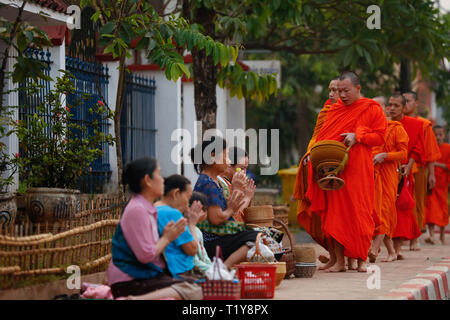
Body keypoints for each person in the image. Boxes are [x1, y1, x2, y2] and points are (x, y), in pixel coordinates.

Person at [302, 71, 387, 272]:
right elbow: (322, 138)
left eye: (346, 90)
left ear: (358, 88)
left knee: (360, 212)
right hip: (335, 170)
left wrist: (358, 136)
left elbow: (380, 137)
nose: (342, 95)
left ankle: (361, 260)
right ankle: (340, 262)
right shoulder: (334, 110)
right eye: (339, 91)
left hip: (359, 169)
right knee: (336, 214)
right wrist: (312, 155)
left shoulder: (371, 108)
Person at [106, 157, 202, 300]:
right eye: (158, 174)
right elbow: (146, 255)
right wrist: (168, 237)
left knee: (197, 287)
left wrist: (167, 236)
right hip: (129, 281)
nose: (163, 180)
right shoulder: (137, 209)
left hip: (143, 276)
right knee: (193, 291)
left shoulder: (147, 208)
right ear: (147, 180)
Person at [191, 136, 260, 269]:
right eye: (225, 156)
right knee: (253, 237)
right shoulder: (207, 183)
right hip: (211, 241)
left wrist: (235, 201)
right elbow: (216, 219)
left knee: (253, 235)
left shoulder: (214, 182)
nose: (228, 162)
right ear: (212, 157)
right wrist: (231, 207)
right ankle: (220, 271)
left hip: (220, 236)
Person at [294, 77, 339, 263]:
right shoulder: (326, 111)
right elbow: (316, 137)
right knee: (325, 214)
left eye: (336, 90)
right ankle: (335, 256)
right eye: (330, 89)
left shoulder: (357, 111)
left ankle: (353, 257)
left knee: (344, 214)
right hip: (323, 166)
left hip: (345, 167)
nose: (331, 94)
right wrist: (310, 154)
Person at [403, 91, 441, 251]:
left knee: (416, 203)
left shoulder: (423, 124)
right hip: (398, 167)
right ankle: (401, 236)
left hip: (418, 168)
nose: (405, 104)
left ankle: (415, 238)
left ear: (416, 103)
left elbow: (430, 151)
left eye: (408, 101)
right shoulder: (396, 122)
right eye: (402, 101)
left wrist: (431, 174)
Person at [369, 110, 409, 263]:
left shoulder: (396, 128)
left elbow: (403, 154)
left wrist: (385, 156)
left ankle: (374, 249)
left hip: (388, 175)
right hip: (371, 174)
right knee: (374, 211)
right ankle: (391, 252)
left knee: (384, 211)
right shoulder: (369, 127)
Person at [388, 94, 424, 260]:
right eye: (390, 105)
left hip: (404, 172)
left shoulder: (415, 125)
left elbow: (417, 149)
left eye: (396, 105)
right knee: (388, 209)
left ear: (404, 107)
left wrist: (408, 166)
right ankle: (393, 248)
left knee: (402, 208)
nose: (392, 108)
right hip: (387, 171)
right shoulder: (384, 124)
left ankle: (398, 247)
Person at [155, 175, 204, 280]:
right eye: (188, 197)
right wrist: (192, 224)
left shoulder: (154, 209)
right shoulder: (172, 214)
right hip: (180, 272)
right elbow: (192, 249)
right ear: (176, 193)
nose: (187, 205)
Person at [424, 126, 450, 245]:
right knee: (431, 209)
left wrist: (434, 163)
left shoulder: (448, 148)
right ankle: (431, 234)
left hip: (443, 183)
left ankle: (442, 236)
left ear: (444, 135)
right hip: (431, 184)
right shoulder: (429, 148)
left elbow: (448, 166)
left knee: (443, 209)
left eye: (440, 135)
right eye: (436, 135)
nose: (438, 137)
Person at [218, 147, 256, 222]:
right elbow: (234, 218)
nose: (244, 173)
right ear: (229, 166)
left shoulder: (231, 182)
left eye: (246, 169)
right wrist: (247, 198)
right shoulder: (221, 184)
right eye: (242, 168)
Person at [189, 192, 213, 273]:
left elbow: (204, 256)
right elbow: (194, 260)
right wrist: (211, 269)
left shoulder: (197, 230)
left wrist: (211, 267)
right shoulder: (190, 229)